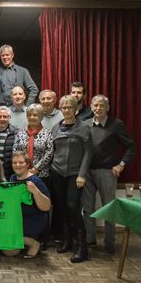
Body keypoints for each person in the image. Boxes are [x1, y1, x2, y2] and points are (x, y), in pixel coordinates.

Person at [82, 94, 136, 254]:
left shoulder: (116, 124)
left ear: (107, 108)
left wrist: (121, 165)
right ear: (91, 107)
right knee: (87, 209)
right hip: (86, 172)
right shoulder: (85, 124)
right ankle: (90, 240)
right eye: (95, 105)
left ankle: (109, 243)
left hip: (107, 172)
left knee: (108, 208)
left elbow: (131, 147)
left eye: (102, 106)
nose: (98, 108)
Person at [50, 95, 92, 263]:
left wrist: (82, 174)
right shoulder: (55, 128)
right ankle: (67, 241)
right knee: (61, 207)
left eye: (69, 107)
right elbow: (52, 150)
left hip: (75, 174)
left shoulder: (83, 128)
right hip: (57, 172)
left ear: (75, 109)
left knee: (73, 207)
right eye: (64, 107)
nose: (66, 110)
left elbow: (89, 153)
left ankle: (82, 247)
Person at [2, 152, 51, 259]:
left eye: (21, 162)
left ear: (28, 164)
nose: (17, 165)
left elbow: (47, 207)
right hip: (17, 219)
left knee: (7, 244)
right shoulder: (12, 178)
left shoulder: (36, 181)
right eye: (15, 163)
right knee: (9, 252)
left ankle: (34, 243)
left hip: (33, 219)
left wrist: (35, 191)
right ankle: (22, 241)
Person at [13, 104, 53, 182]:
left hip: (41, 174)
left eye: (35, 115)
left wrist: (36, 168)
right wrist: (22, 168)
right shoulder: (21, 132)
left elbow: (49, 153)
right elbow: (15, 151)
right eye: (29, 115)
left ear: (41, 117)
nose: (32, 117)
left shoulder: (47, 133)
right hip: (22, 173)